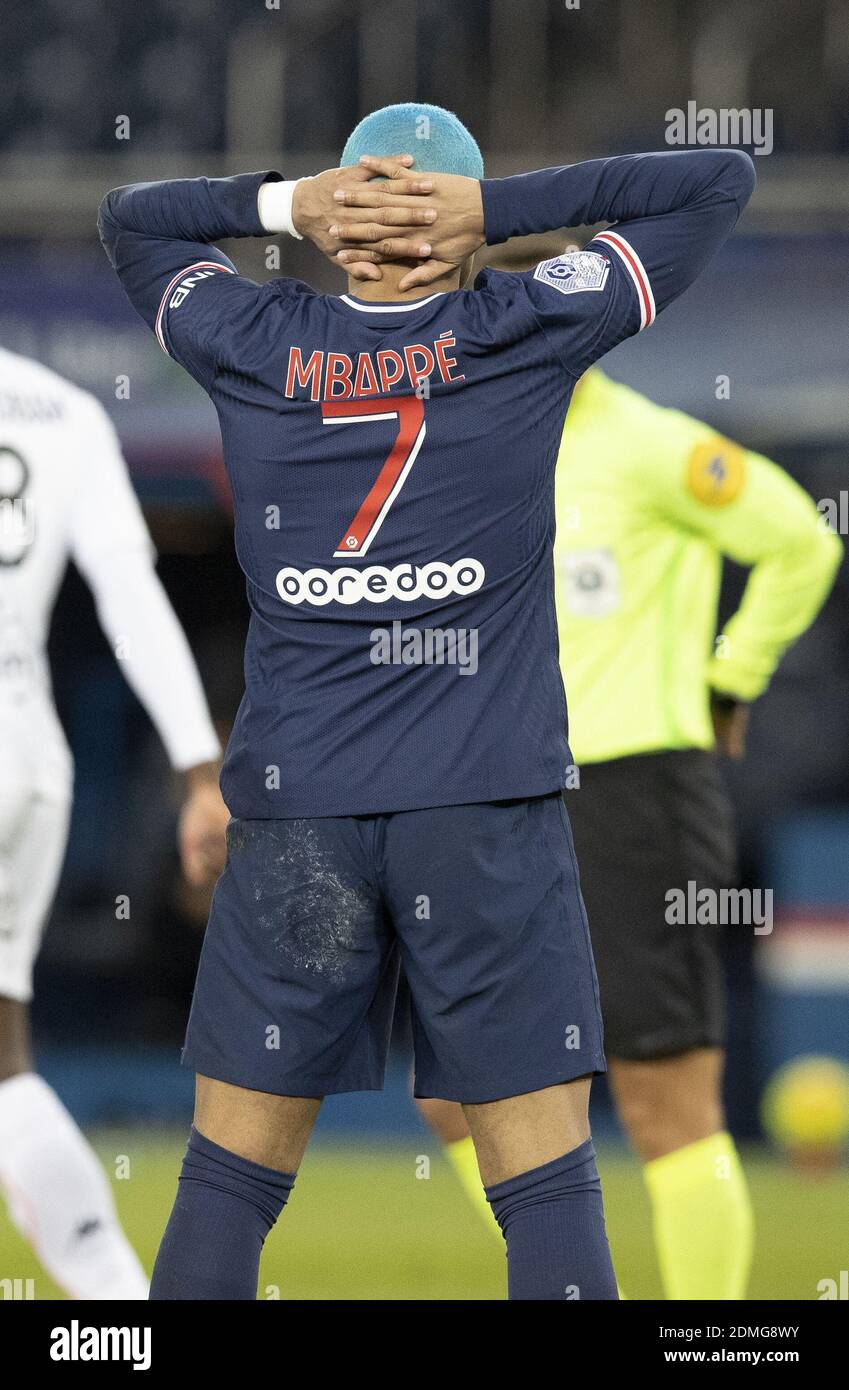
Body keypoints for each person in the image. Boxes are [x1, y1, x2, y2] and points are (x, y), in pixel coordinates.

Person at [99, 101, 754, 1300]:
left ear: (338, 228)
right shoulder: (525, 321)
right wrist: (498, 213)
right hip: (484, 808)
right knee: (549, 1187)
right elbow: (715, 180)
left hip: (299, 816)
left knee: (228, 1184)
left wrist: (278, 205)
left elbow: (131, 222)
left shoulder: (249, 330)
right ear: (458, 234)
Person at [416, 362, 842, 1299]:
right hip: (490, 792)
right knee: (451, 1090)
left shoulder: (653, 446)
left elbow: (800, 544)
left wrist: (733, 675)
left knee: (663, 1098)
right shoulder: (464, 446)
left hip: (634, 792)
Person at [0, 345, 230, 1298]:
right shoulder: (62, 410)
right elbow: (130, 599)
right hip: (23, 752)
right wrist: (199, 771)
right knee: (5, 1060)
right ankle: (119, 1310)